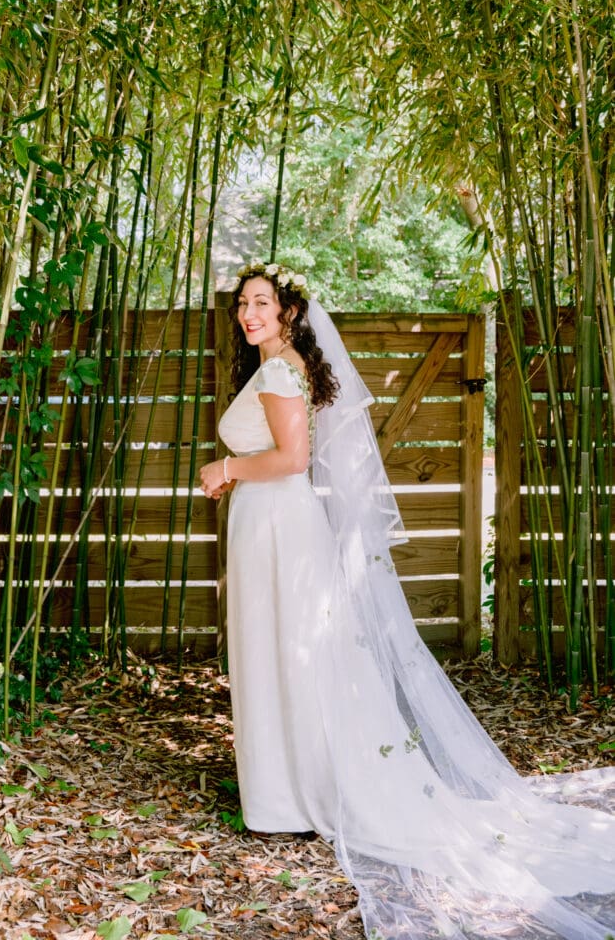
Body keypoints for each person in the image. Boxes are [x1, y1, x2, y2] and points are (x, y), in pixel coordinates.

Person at [200, 261, 615, 940]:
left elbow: (292, 459)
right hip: (271, 524)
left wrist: (225, 468)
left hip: (278, 522)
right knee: (276, 653)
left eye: (261, 303)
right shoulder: (276, 366)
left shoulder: (278, 372)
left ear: (289, 313)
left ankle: (287, 796)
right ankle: (283, 791)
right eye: (243, 303)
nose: (249, 314)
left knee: (283, 654)